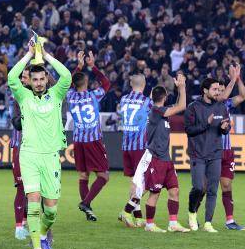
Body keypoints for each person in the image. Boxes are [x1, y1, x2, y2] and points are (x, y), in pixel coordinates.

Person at [8, 40, 71, 249]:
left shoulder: (56, 95)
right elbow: (11, 77)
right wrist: (28, 55)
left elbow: (67, 76)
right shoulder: (23, 97)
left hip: (51, 157)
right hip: (29, 156)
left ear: (46, 79)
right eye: (34, 79)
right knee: (33, 200)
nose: (37, 82)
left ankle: (43, 234)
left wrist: (46, 56)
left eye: (41, 78)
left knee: (51, 211)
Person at [142, 74, 190, 233]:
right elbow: (181, 106)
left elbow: (177, 105)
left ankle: (173, 223)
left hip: (166, 159)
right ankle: (149, 225)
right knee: (155, 193)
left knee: (174, 190)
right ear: (165, 97)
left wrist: (178, 91)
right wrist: (182, 88)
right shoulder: (157, 110)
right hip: (156, 158)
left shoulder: (160, 110)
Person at [67, 51, 111, 222]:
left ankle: (88, 210)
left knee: (83, 176)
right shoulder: (93, 95)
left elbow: (67, 85)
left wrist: (79, 66)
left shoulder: (70, 96)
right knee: (104, 176)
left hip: (78, 141)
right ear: (85, 82)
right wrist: (92, 66)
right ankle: (86, 203)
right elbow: (106, 83)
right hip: (93, 141)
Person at [184, 77, 231, 233]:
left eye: (218, 89)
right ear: (205, 90)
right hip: (198, 154)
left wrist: (225, 128)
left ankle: (208, 223)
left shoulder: (221, 107)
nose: (217, 92)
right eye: (214, 89)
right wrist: (206, 123)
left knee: (212, 190)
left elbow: (224, 129)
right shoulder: (193, 107)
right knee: (198, 187)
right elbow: (189, 130)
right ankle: (192, 212)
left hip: (216, 153)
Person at [117, 74, 152, 228]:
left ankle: (138, 217)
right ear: (144, 84)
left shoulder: (123, 99)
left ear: (131, 84)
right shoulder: (147, 102)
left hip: (126, 146)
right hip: (140, 147)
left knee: (134, 182)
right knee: (145, 183)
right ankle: (126, 211)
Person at [216, 64, 245, 230]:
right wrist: (233, 79)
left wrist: (239, 78)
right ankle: (193, 215)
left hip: (227, 152)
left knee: (227, 185)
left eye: (222, 90)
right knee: (204, 187)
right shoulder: (209, 106)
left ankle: (230, 220)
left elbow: (244, 95)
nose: (221, 93)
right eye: (218, 90)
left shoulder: (227, 104)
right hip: (212, 152)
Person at [9, 67, 30, 240]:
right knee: (22, 188)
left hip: (38, 148)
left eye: (25, 77)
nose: (22, 80)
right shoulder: (18, 95)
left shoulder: (42, 97)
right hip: (20, 147)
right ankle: (18, 226)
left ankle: (25, 221)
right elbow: (16, 123)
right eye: (22, 77)